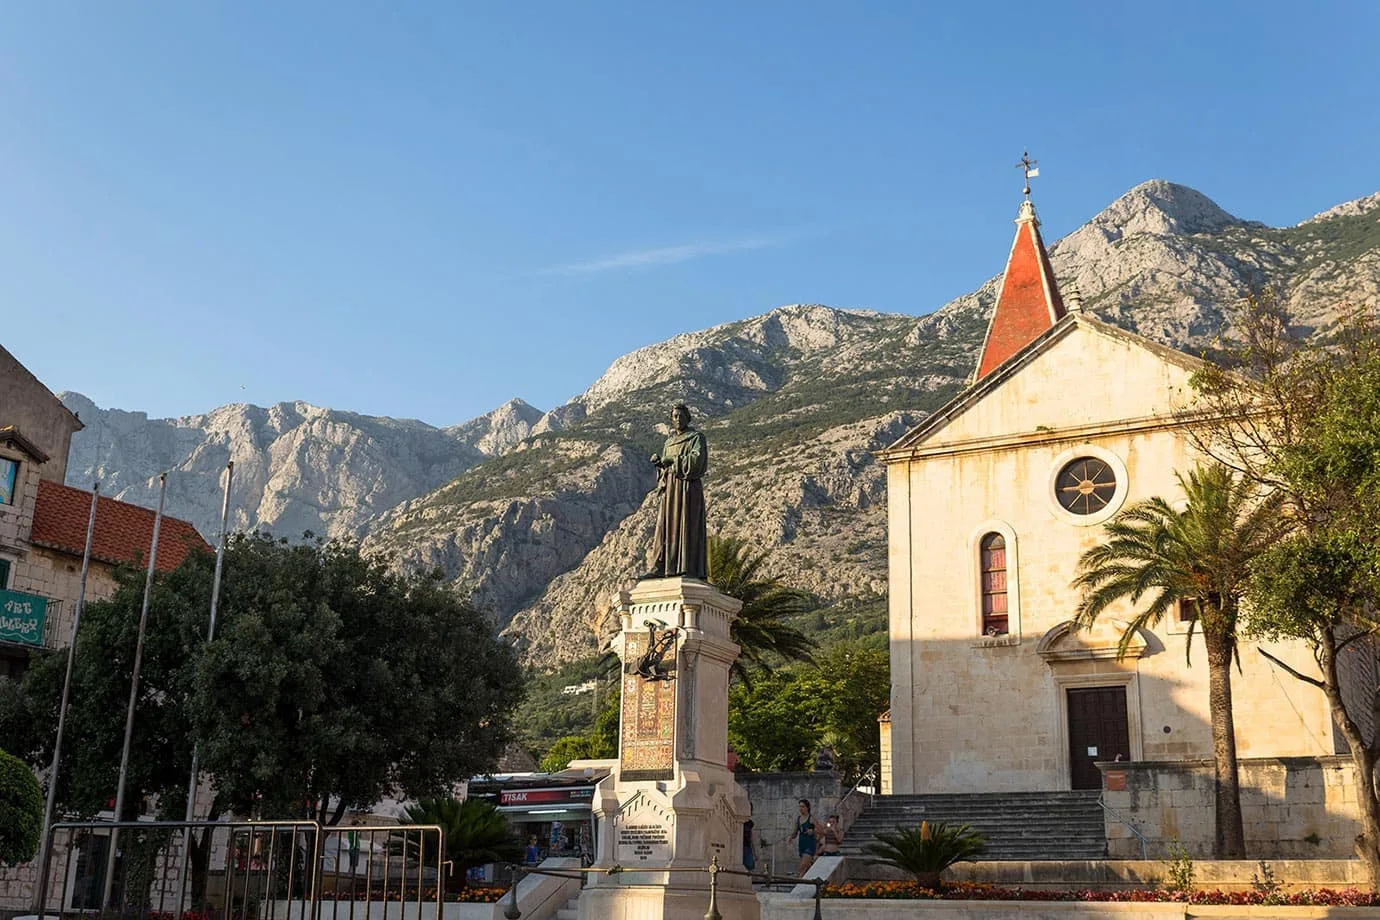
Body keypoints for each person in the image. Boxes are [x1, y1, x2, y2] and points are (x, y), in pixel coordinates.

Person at [641, 404, 709, 580]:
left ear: (688, 417)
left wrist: (673, 460)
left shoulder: (696, 438)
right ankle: (662, 565)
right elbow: (665, 469)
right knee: (665, 526)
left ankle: (686, 567)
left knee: (686, 525)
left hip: (687, 489)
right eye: (675, 416)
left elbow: (697, 461)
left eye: (681, 415)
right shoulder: (668, 443)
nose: (678, 419)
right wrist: (661, 466)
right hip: (671, 489)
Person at [789, 798, 817, 876]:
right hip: (802, 844)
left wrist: (813, 831)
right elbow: (795, 832)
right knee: (806, 869)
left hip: (810, 844)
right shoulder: (798, 819)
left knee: (801, 868)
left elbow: (821, 831)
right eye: (800, 807)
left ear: (807, 808)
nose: (801, 809)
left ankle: (797, 885)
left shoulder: (811, 818)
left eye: (803, 806)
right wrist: (791, 837)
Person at [742, 804, 756, 872]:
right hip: (740, 847)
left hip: (747, 847)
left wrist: (755, 853)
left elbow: (752, 838)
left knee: (749, 867)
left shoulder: (750, 823)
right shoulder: (741, 822)